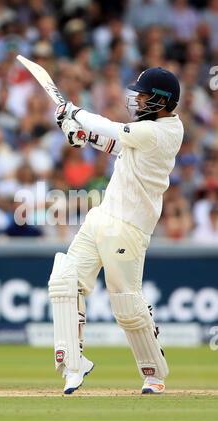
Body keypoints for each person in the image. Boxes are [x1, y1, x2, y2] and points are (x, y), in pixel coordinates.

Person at [48, 67, 184, 395]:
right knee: (64, 281)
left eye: (143, 94)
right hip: (102, 217)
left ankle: (153, 374)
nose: (136, 99)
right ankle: (73, 363)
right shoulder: (146, 130)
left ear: (162, 101)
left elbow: (112, 130)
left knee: (126, 303)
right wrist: (78, 132)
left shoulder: (163, 132)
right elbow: (115, 144)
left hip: (129, 227)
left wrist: (74, 112)